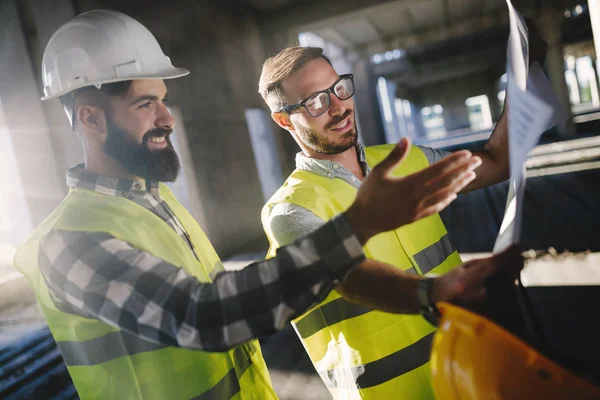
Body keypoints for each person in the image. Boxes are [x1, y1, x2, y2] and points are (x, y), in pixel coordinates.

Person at [13, 10, 520, 400]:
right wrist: (365, 229)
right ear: (90, 119)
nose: (168, 118)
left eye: (164, 99)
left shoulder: (159, 207)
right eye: (146, 104)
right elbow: (204, 315)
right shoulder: (69, 242)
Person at [258, 46, 529, 399]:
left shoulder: (407, 158)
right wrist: (430, 293)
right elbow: (351, 277)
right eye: (315, 102)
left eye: (338, 88)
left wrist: (524, 82)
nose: (339, 107)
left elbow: (498, 161)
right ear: (284, 119)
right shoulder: (289, 211)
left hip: (471, 374)